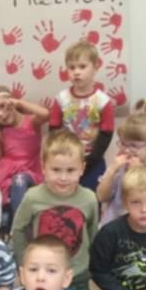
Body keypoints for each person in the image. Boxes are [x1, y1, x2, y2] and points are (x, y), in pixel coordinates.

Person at [11, 129, 99, 290]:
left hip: (77, 275)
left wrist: (89, 264)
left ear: (82, 168)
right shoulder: (32, 197)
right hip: (42, 274)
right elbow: (18, 230)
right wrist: (24, 263)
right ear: (44, 167)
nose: (63, 177)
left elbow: (92, 232)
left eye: (70, 170)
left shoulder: (89, 199)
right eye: (56, 170)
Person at [0, 87, 48, 232]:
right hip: (6, 173)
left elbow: (45, 114)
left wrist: (18, 102)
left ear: (11, 101)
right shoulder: (1, 131)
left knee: (19, 180)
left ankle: (19, 229)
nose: (1, 114)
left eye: (2, 106)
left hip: (31, 170)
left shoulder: (31, 122)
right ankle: (2, 227)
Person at [49, 40, 115, 190]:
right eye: (71, 67)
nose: (76, 72)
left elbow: (106, 134)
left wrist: (91, 160)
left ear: (95, 67)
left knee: (93, 197)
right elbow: (54, 130)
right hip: (66, 161)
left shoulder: (103, 101)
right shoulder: (61, 99)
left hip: (93, 161)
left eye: (82, 66)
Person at [96, 113, 146, 227]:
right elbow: (102, 196)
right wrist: (112, 171)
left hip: (142, 228)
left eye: (134, 146)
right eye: (123, 144)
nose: (127, 150)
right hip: (112, 226)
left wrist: (138, 173)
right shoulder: (119, 167)